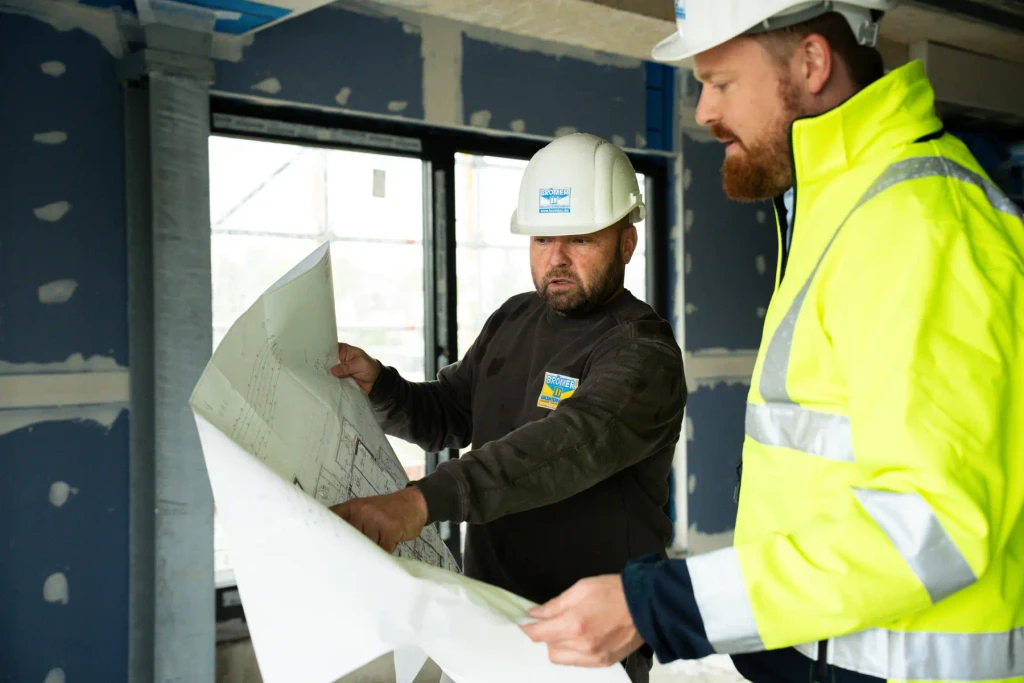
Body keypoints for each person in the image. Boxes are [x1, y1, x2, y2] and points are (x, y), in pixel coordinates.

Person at [521, 2, 1024, 682]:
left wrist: (665, 604)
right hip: (820, 656)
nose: (703, 110)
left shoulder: (920, 225)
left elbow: (933, 522)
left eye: (722, 82)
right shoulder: (838, 208)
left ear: (812, 63)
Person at [329, 133, 687, 683]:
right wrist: (381, 388)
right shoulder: (515, 318)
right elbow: (450, 412)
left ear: (627, 244)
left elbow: (562, 446)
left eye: (581, 239)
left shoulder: (642, 353)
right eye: (542, 238)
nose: (556, 259)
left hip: (586, 642)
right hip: (489, 618)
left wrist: (421, 500)